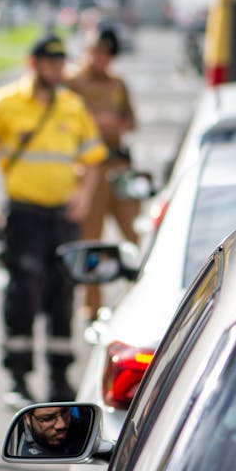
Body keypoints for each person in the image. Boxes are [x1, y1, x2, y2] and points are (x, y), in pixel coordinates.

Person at [0, 34, 108, 407]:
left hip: (61, 218)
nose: (57, 69)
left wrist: (84, 197)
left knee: (62, 296)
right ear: (33, 63)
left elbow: (93, 158)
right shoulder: (5, 104)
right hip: (24, 215)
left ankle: (60, 380)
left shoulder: (72, 106)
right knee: (22, 295)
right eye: (50, 62)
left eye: (61, 63)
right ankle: (18, 378)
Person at [65, 26, 140, 323]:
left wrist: (115, 123)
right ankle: (92, 306)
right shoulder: (72, 83)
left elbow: (132, 122)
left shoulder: (118, 84)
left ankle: (139, 294)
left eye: (107, 54)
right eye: (97, 51)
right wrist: (96, 123)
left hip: (118, 166)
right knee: (91, 238)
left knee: (133, 233)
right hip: (89, 169)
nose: (101, 58)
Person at [18, 406, 90, 457]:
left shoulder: (84, 429)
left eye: (64, 413)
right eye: (47, 418)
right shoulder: (21, 447)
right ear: (27, 419)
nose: (61, 425)